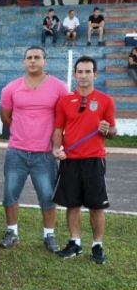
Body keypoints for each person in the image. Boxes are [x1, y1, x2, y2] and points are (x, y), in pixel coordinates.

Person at [0, 46, 68, 252]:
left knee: (47, 195)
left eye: (37, 57)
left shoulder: (60, 87)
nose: (32, 61)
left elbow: (62, 119)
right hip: (17, 152)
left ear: (45, 61)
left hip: (45, 154)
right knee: (10, 194)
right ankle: (12, 232)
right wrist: (23, 132)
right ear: (24, 62)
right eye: (29, 57)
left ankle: (49, 235)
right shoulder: (11, 88)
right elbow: (5, 117)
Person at [51, 56, 116, 265]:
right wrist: (56, 148)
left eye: (88, 71)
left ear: (95, 74)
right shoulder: (65, 101)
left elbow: (113, 131)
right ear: (75, 74)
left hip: (94, 160)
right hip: (70, 159)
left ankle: (97, 245)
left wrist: (108, 130)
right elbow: (58, 129)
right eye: (80, 71)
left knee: (97, 206)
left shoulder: (106, 100)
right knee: (73, 204)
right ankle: (75, 243)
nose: (84, 75)